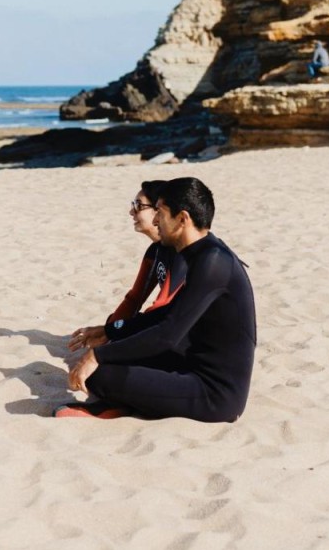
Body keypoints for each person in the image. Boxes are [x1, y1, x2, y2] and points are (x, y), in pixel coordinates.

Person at [60, 177, 256, 422]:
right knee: (110, 359)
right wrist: (111, 331)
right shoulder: (203, 254)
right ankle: (133, 400)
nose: (154, 220)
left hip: (215, 394)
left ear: (182, 219)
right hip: (190, 364)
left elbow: (166, 334)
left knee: (99, 375)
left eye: (160, 213)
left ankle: (125, 406)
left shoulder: (212, 262)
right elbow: (165, 315)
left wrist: (98, 356)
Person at [66, 180, 178, 354]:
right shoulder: (155, 251)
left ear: (159, 209)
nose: (131, 211)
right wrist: (109, 330)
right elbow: (134, 299)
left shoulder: (182, 252)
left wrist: (112, 332)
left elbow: (161, 309)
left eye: (139, 206)